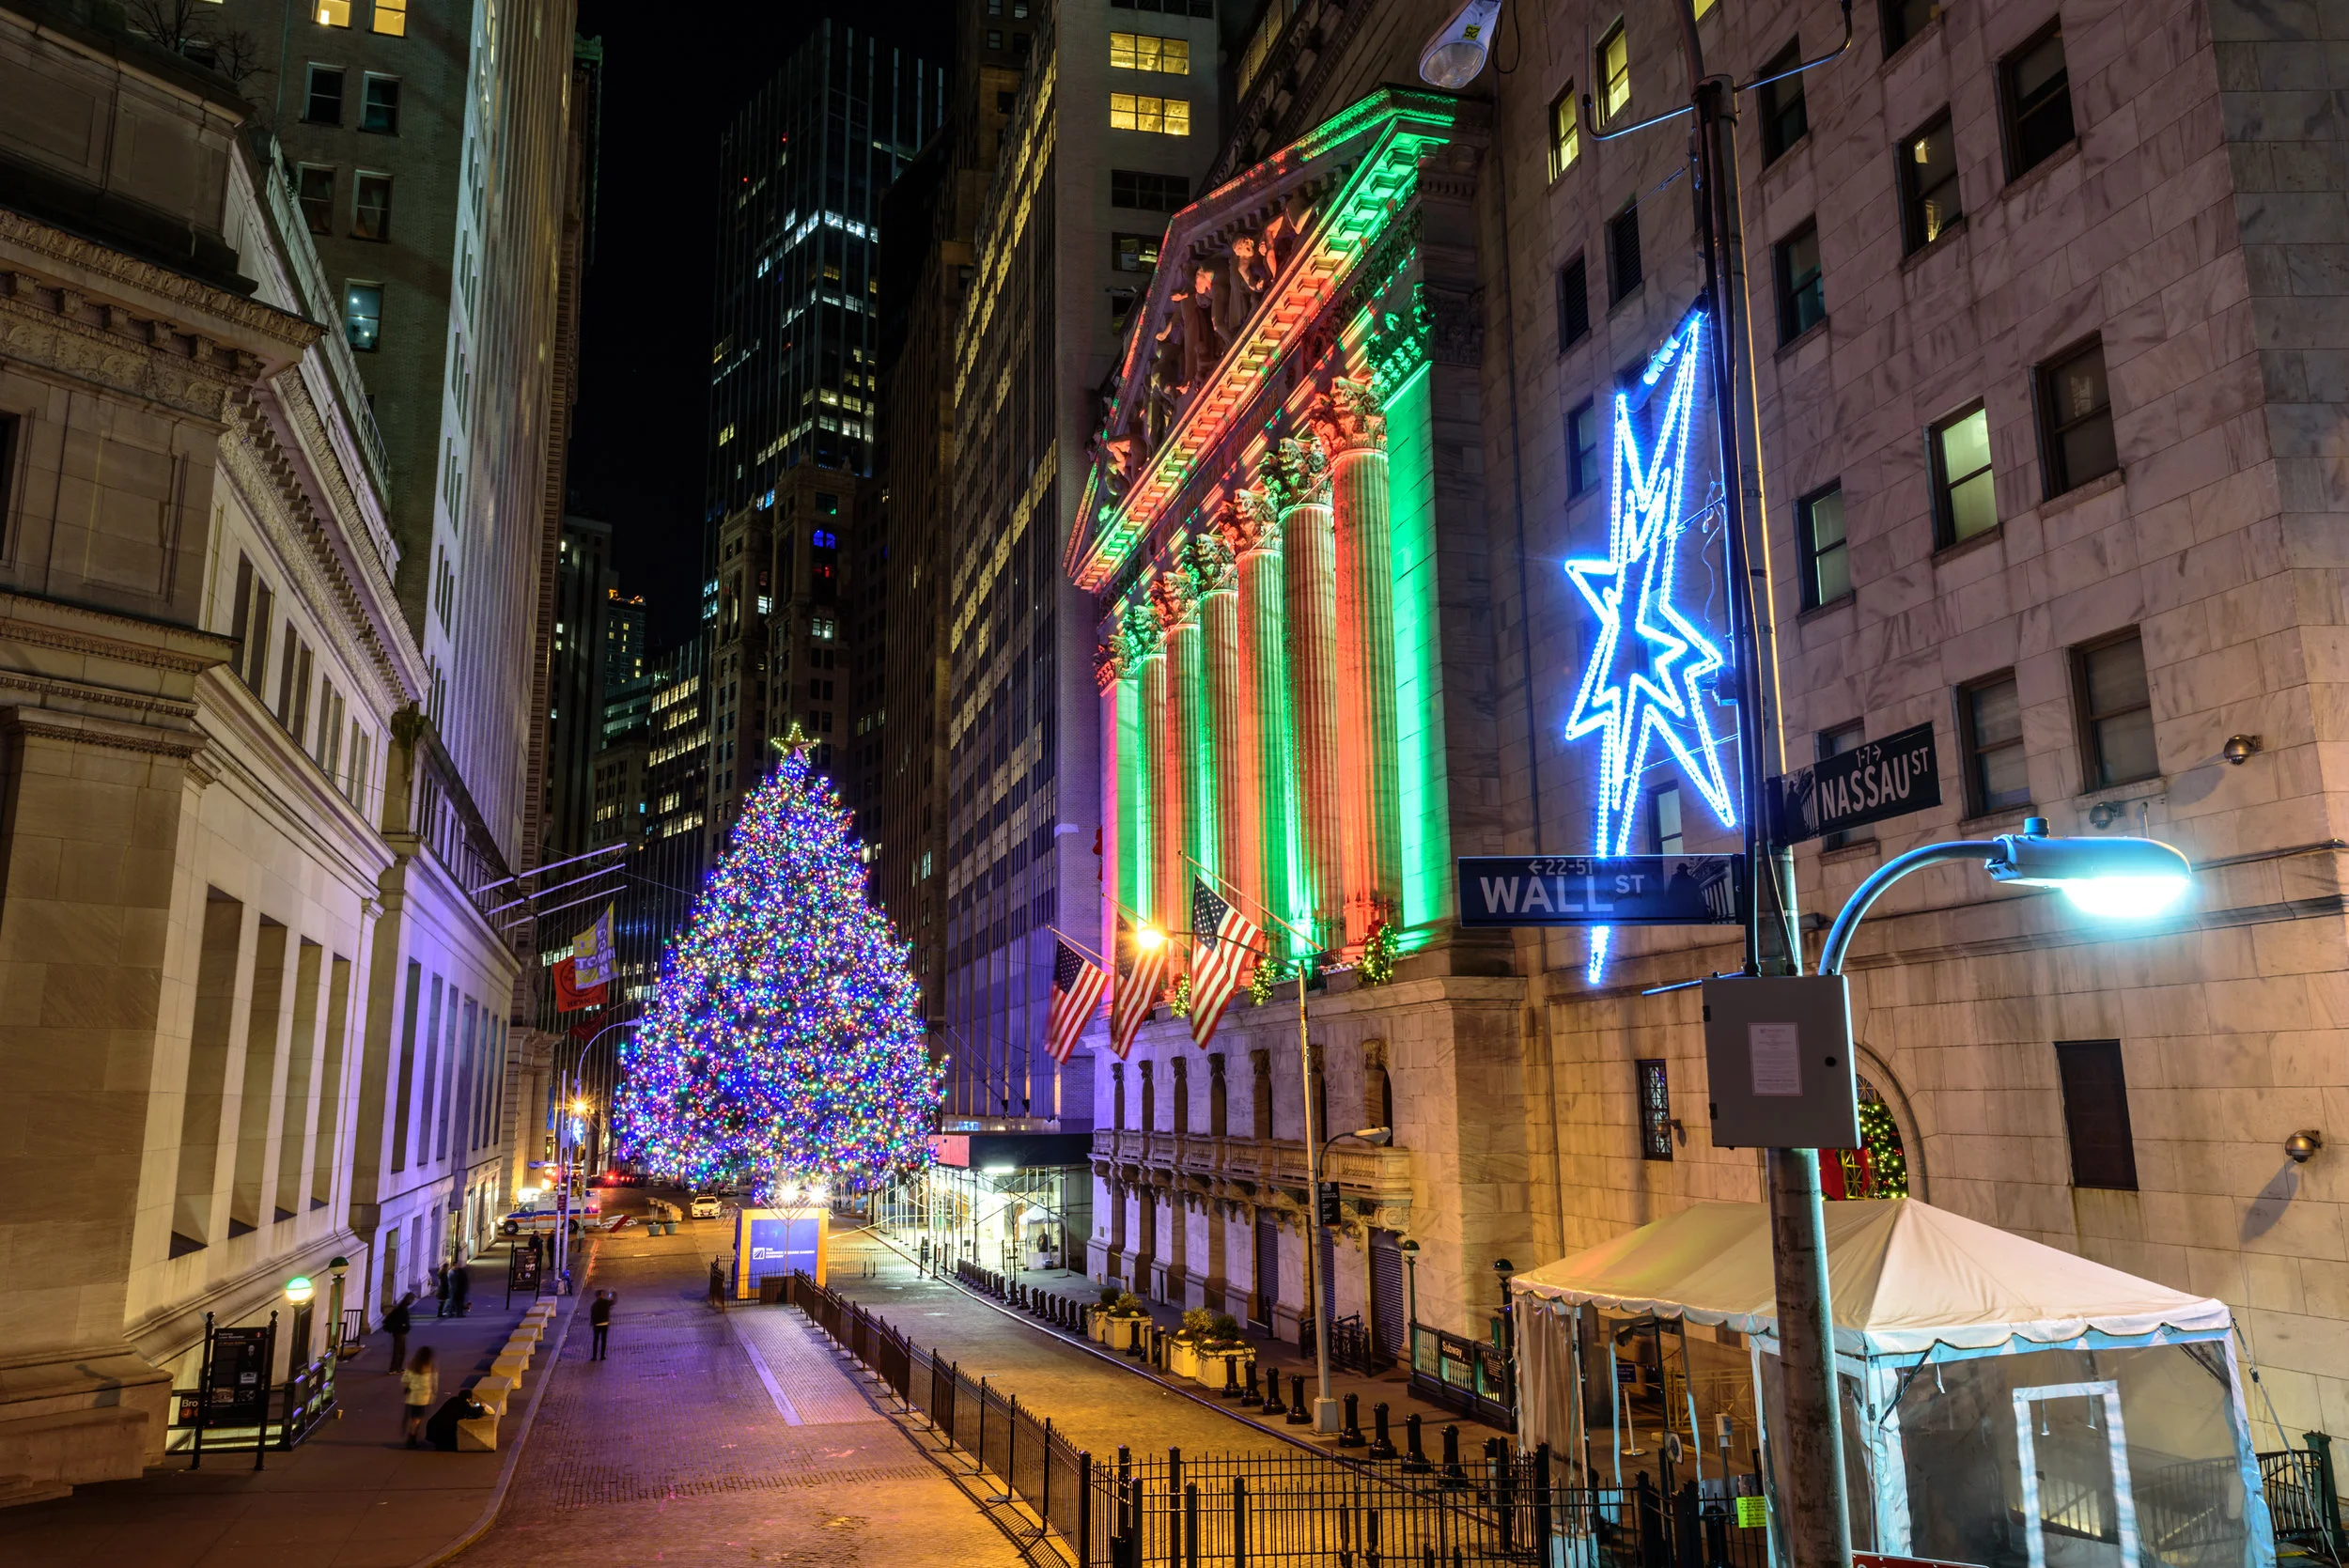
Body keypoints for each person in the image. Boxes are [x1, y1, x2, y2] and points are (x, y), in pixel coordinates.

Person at [400, 1345, 437, 1448]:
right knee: (417, 1419)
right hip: (423, 1398)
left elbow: (404, 1380)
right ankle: (412, 1438)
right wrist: (432, 1395)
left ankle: (412, 1437)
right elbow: (434, 1383)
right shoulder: (431, 1368)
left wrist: (409, 1385)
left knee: (414, 1418)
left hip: (412, 1397)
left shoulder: (412, 1366)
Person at [383, 1291, 414, 1374]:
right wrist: (405, 1327)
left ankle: (397, 1368)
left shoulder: (401, 1307)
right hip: (400, 1332)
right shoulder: (402, 1309)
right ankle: (395, 1368)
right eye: (411, 1300)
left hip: (399, 1332)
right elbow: (402, 1320)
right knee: (399, 1351)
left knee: (400, 1351)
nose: (412, 1302)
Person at [589, 1289, 614, 1360]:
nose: (604, 1295)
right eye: (603, 1294)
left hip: (597, 1324)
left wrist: (593, 1323)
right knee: (603, 1340)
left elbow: (592, 1315)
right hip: (604, 1324)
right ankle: (602, 1356)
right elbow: (612, 1301)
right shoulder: (606, 1302)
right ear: (601, 1295)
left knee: (595, 1340)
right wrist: (613, 1293)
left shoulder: (594, 1305)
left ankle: (594, 1357)